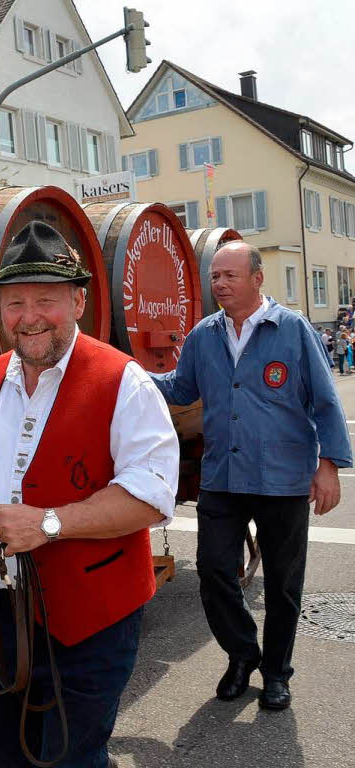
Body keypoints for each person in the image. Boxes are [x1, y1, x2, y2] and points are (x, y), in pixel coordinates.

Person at [0, 222, 179, 767]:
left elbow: (152, 495)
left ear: (79, 302)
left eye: (46, 299)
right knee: (3, 749)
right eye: (15, 302)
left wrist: (47, 523)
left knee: (70, 757)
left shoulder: (124, 381)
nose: (29, 316)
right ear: (0, 311)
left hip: (90, 618)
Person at [151, 242, 350, 711]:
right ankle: (242, 655)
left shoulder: (293, 329)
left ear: (257, 278)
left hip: (283, 478)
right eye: (215, 276)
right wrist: (128, 375)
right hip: (222, 476)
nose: (219, 284)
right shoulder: (204, 335)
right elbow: (181, 387)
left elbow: (325, 401)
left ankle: (277, 673)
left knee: (283, 584)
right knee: (214, 571)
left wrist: (329, 467)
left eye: (230, 276)